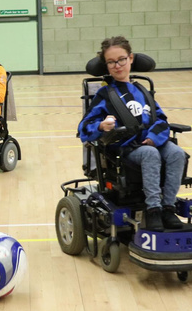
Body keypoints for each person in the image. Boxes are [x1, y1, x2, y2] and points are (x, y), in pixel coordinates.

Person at [78, 36, 185, 232]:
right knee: (150, 154)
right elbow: (83, 127)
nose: (117, 65)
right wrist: (101, 126)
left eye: (121, 60)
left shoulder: (142, 90)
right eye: (111, 62)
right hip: (125, 149)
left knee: (177, 153)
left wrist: (153, 138)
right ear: (106, 65)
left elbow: (161, 120)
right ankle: (153, 210)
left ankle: (168, 208)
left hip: (151, 142)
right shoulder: (104, 95)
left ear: (131, 58)